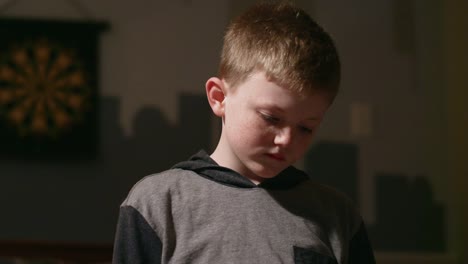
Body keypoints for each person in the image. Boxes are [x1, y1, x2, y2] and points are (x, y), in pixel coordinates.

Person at [113, 1, 376, 263]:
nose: (286, 139)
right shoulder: (158, 203)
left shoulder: (338, 216)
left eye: (306, 127)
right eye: (271, 117)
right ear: (219, 98)